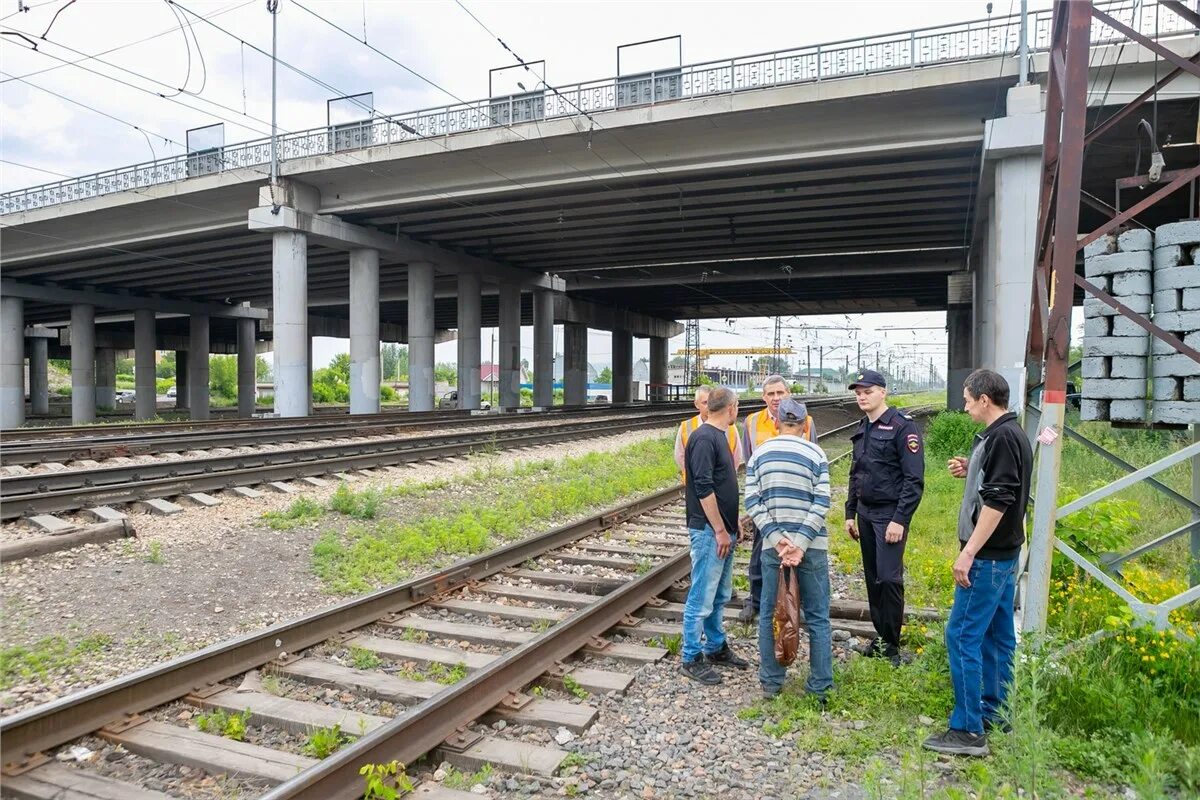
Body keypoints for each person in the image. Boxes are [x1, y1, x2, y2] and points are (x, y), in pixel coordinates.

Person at [923, 369, 1032, 757]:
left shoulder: (1001, 436)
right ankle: (996, 712)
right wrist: (972, 470)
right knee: (998, 635)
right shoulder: (1010, 433)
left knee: (962, 635)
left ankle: (968, 730)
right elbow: (1003, 483)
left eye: (969, 399)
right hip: (1005, 556)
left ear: (985, 399)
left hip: (986, 557)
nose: (966, 406)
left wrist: (968, 553)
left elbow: (1000, 501)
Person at [744, 397, 833, 703]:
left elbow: (752, 502)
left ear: (778, 422)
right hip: (812, 548)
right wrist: (800, 543)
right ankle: (820, 686)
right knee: (819, 617)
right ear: (805, 424)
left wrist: (778, 538)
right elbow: (822, 502)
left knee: (770, 612)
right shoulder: (817, 454)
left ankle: (771, 683)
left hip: (773, 549)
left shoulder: (759, 454)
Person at [844, 369, 925, 666]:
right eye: (858, 393)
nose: (861, 396)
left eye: (867, 391)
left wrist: (900, 519)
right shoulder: (863, 427)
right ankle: (881, 636)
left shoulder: (903, 428)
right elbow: (856, 473)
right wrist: (850, 512)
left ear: (883, 392)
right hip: (865, 513)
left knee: (890, 579)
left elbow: (913, 479)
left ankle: (891, 644)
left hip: (889, 515)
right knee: (873, 578)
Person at [680, 385, 750, 684]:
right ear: (731, 408)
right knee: (702, 595)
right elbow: (705, 488)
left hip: (724, 529)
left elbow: (724, 485)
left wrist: (734, 523)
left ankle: (715, 646)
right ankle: (690, 656)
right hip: (710, 531)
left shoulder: (720, 436)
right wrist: (721, 530)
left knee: (719, 594)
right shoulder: (704, 438)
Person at [740, 375, 818, 623]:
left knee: (797, 553)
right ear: (763, 397)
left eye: (780, 393)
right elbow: (748, 458)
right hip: (766, 502)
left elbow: (814, 456)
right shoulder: (752, 422)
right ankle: (756, 599)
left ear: (788, 394)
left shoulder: (807, 422)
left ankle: (796, 603)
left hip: (796, 503)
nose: (775, 398)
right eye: (770, 394)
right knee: (759, 552)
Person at [674, 385, 743, 480]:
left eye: (710, 402)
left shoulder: (730, 427)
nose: (708, 406)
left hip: (723, 481)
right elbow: (680, 456)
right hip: (695, 481)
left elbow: (737, 455)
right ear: (696, 404)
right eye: (705, 403)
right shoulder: (686, 427)